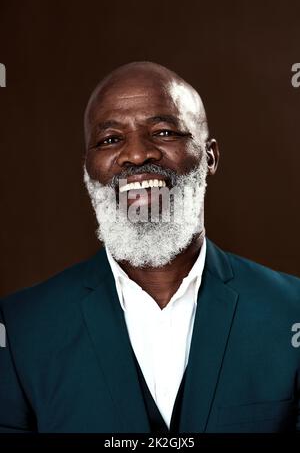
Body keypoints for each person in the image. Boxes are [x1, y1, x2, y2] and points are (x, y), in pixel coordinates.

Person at [0, 62, 299, 433]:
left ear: (210, 157)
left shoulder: (291, 312)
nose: (138, 155)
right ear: (87, 169)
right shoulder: (17, 330)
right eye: (110, 139)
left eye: (163, 131)